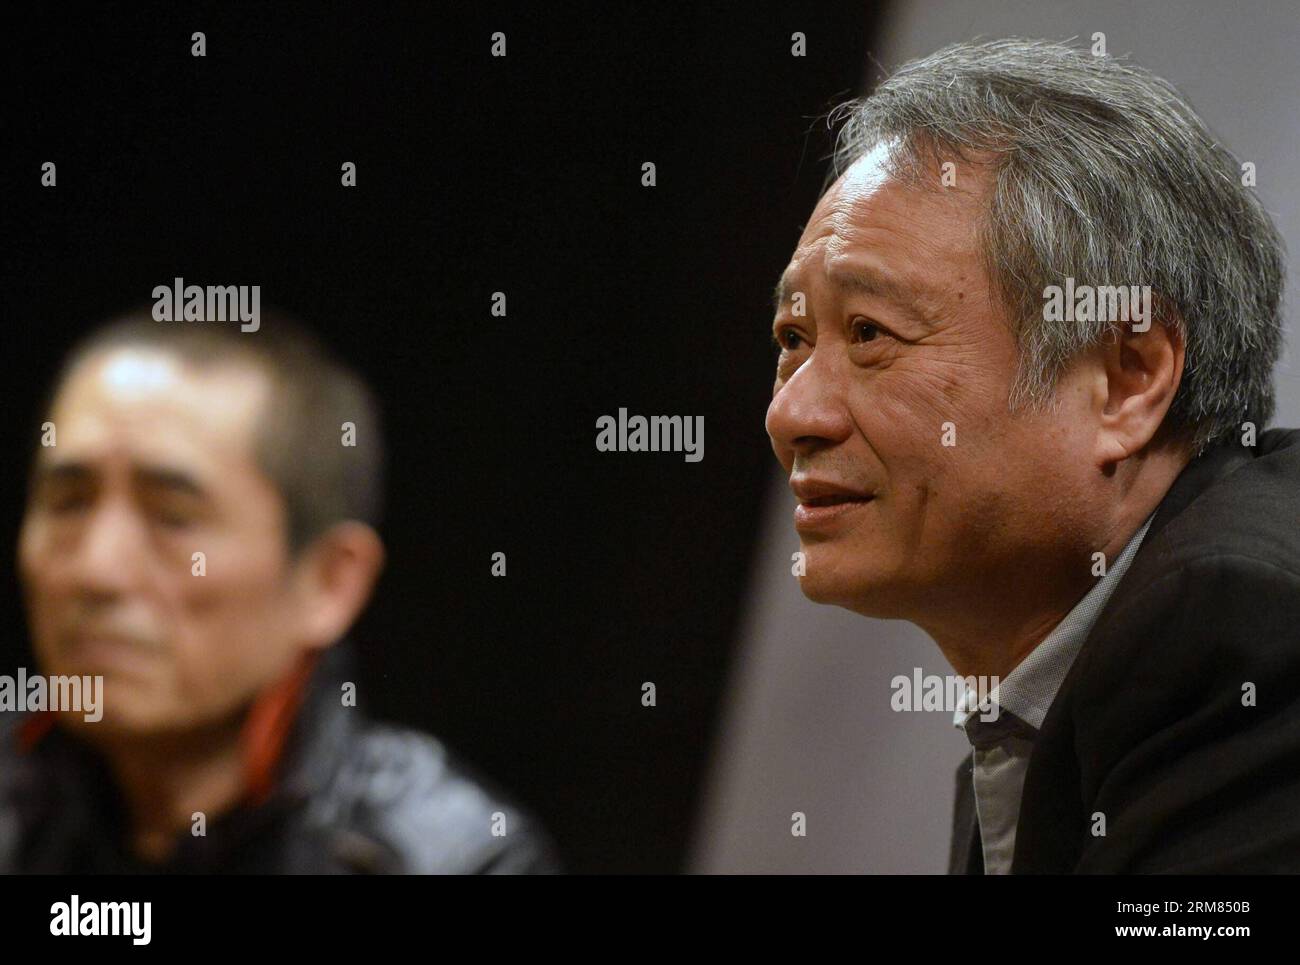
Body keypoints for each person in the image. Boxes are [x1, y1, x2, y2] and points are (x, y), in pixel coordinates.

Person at [765, 39, 1300, 873]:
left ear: (1127, 379)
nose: (791, 411)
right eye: (793, 338)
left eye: (869, 333)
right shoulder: (1048, 709)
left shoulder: (1239, 624)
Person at [1, 310, 560, 873]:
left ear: (329, 582)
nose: (97, 571)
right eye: (68, 502)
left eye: (172, 518)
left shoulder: (452, 859)